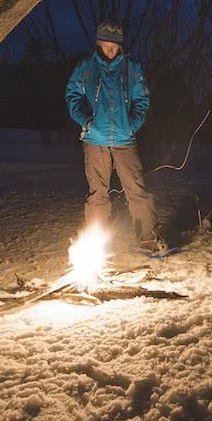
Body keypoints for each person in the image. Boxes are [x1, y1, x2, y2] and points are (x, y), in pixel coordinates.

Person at [65, 18, 164, 251]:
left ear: (120, 45)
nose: (110, 49)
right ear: (98, 43)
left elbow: (142, 100)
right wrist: (86, 120)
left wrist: (132, 124)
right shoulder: (86, 67)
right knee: (97, 193)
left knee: (136, 189)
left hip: (124, 139)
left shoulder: (132, 69)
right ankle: (96, 241)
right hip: (93, 139)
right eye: (106, 44)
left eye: (114, 45)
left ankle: (147, 236)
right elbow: (72, 95)